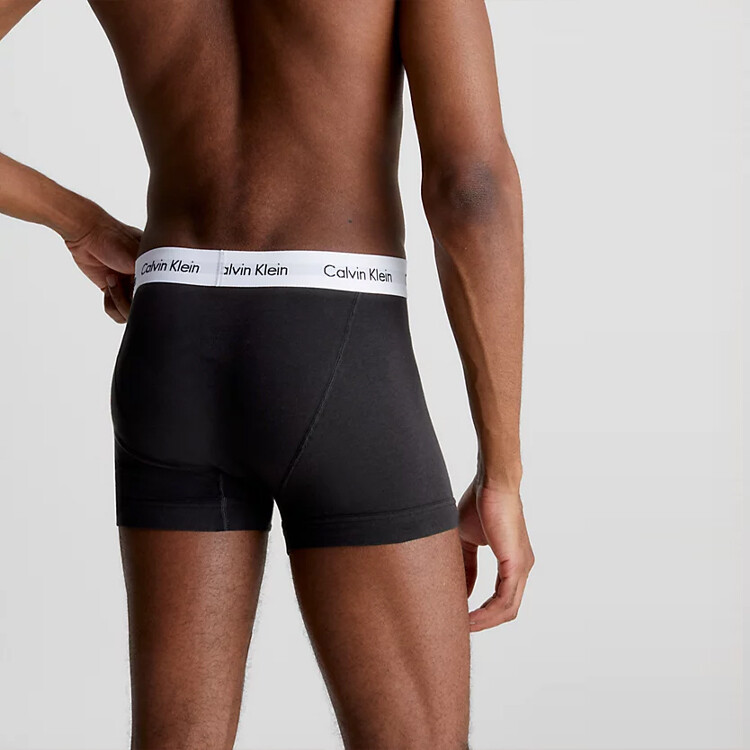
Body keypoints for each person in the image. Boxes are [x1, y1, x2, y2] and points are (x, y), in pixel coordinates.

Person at [0, 0, 534, 747]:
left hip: (172, 336)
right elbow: (471, 186)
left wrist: (79, 221)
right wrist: (501, 473)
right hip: (340, 343)